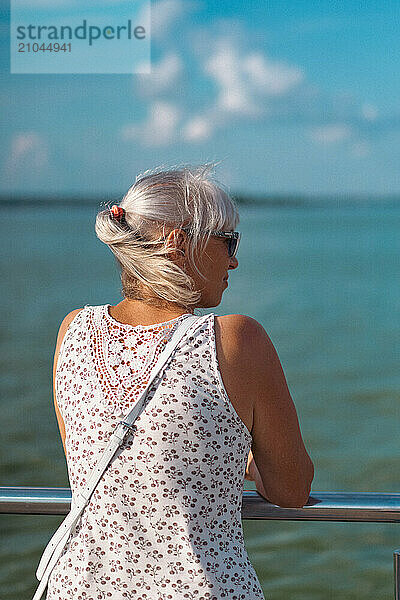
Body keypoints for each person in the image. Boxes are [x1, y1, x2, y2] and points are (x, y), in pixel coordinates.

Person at [47, 163, 314, 600]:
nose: (234, 258)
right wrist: (244, 461)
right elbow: (291, 489)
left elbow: (102, 467)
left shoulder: (72, 330)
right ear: (177, 241)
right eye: (227, 240)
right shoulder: (234, 340)